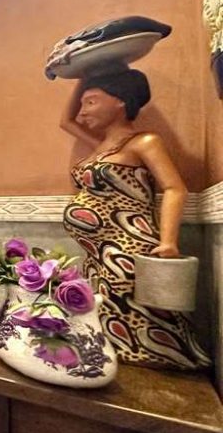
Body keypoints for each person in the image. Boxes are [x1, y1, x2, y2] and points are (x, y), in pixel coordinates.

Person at [58, 69, 210, 370]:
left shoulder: (144, 142)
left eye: (91, 102)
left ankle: (161, 381)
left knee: (144, 331)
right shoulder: (100, 146)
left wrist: (168, 242)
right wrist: (83, 72)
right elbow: (65, 122)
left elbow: (174, 188)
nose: (82, 111)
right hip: (97, 258)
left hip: (128, 255)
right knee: (109, 331)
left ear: (120, 101)